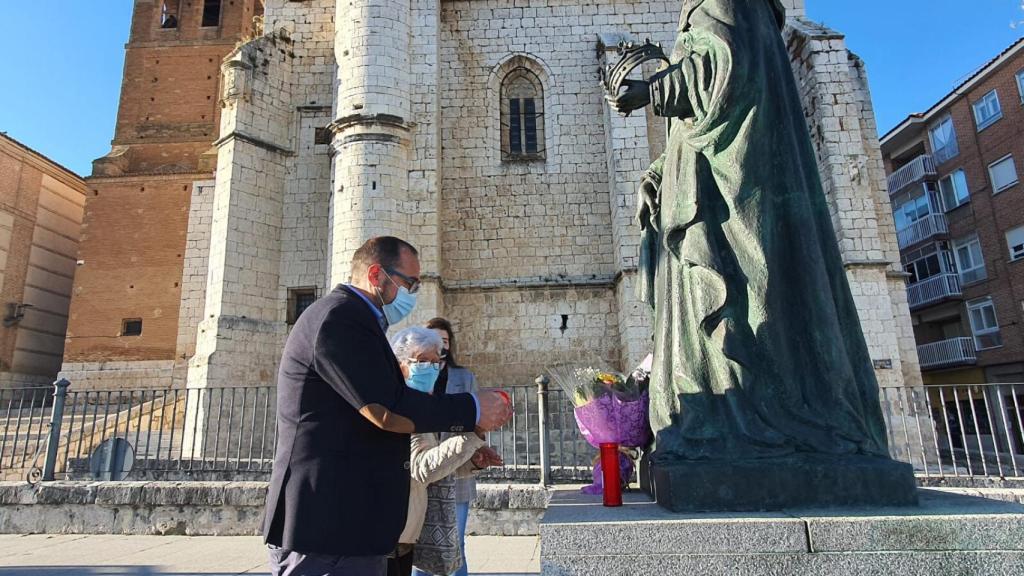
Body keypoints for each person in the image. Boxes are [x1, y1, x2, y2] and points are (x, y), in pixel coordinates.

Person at [606, 0, 890, 462]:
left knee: (736, 309)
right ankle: (721, 421)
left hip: (731, 203)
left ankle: (747, 423)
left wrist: (651, 91)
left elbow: (727, 69)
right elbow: (701, 122)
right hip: (709, 185)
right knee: (709, 325)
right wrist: (660, 174)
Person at [263, 236, 512, 576]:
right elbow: (386, 411)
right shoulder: (340, 319)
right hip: (327, 525)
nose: (413, 292)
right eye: (410, 282)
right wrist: (472, 409)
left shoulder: (357, 321)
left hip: (351, 524)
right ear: (377, 274)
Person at [387, 327, 502, 576]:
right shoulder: (399, 407)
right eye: (422, 361)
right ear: (400, 365)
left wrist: (471, 462)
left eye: (435, 362)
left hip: (407, 533)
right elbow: (422, 468)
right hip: (391, 533)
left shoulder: (420, 403)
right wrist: (472, 434)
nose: (430, 368)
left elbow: (430, 463)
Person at [419, 318, 493, 576]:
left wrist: (479, 453)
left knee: (456, 546)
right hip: (422, 472)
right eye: (434, 340)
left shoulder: (465, 377)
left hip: (456, 470)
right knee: (418, 550)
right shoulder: (416, 377)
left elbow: (477, 421)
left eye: (445, 341)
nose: (440, 346)